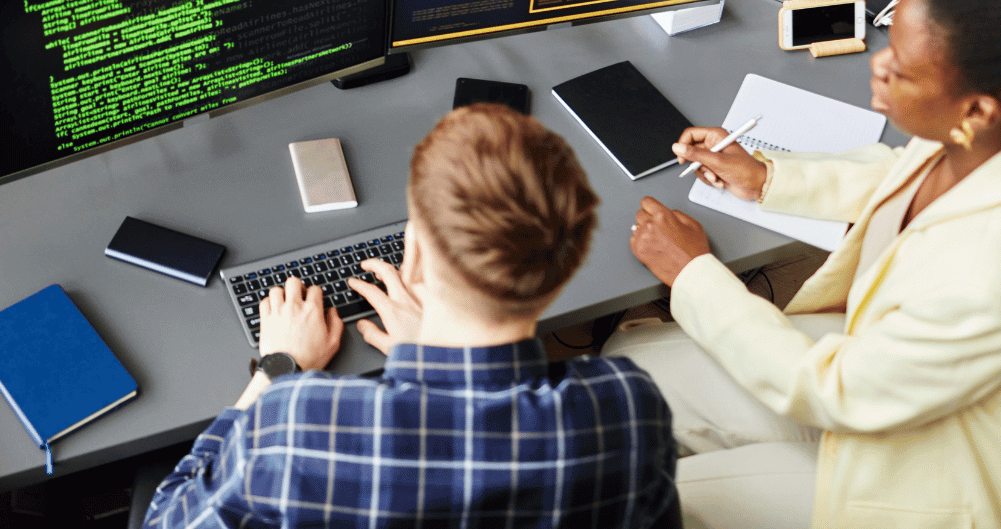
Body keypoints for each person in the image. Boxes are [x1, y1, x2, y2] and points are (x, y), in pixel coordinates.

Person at [606, 0, 1001, 529]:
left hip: (933, 468)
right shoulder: (998, 131)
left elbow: (835, 388)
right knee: (624, 368)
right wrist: (768, 177)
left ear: (979, 109)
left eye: (902, 70)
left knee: (659, 497)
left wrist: (692, 273)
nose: (876, 64)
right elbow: (903, 173)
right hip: (895, 371)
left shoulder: (994, 274)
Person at [143, 105, 679, 528]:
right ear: (566, 267)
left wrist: (278, 367)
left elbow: (167, 519)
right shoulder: (628, 409)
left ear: (414, 250)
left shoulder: (297, 425)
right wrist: (427, 350)